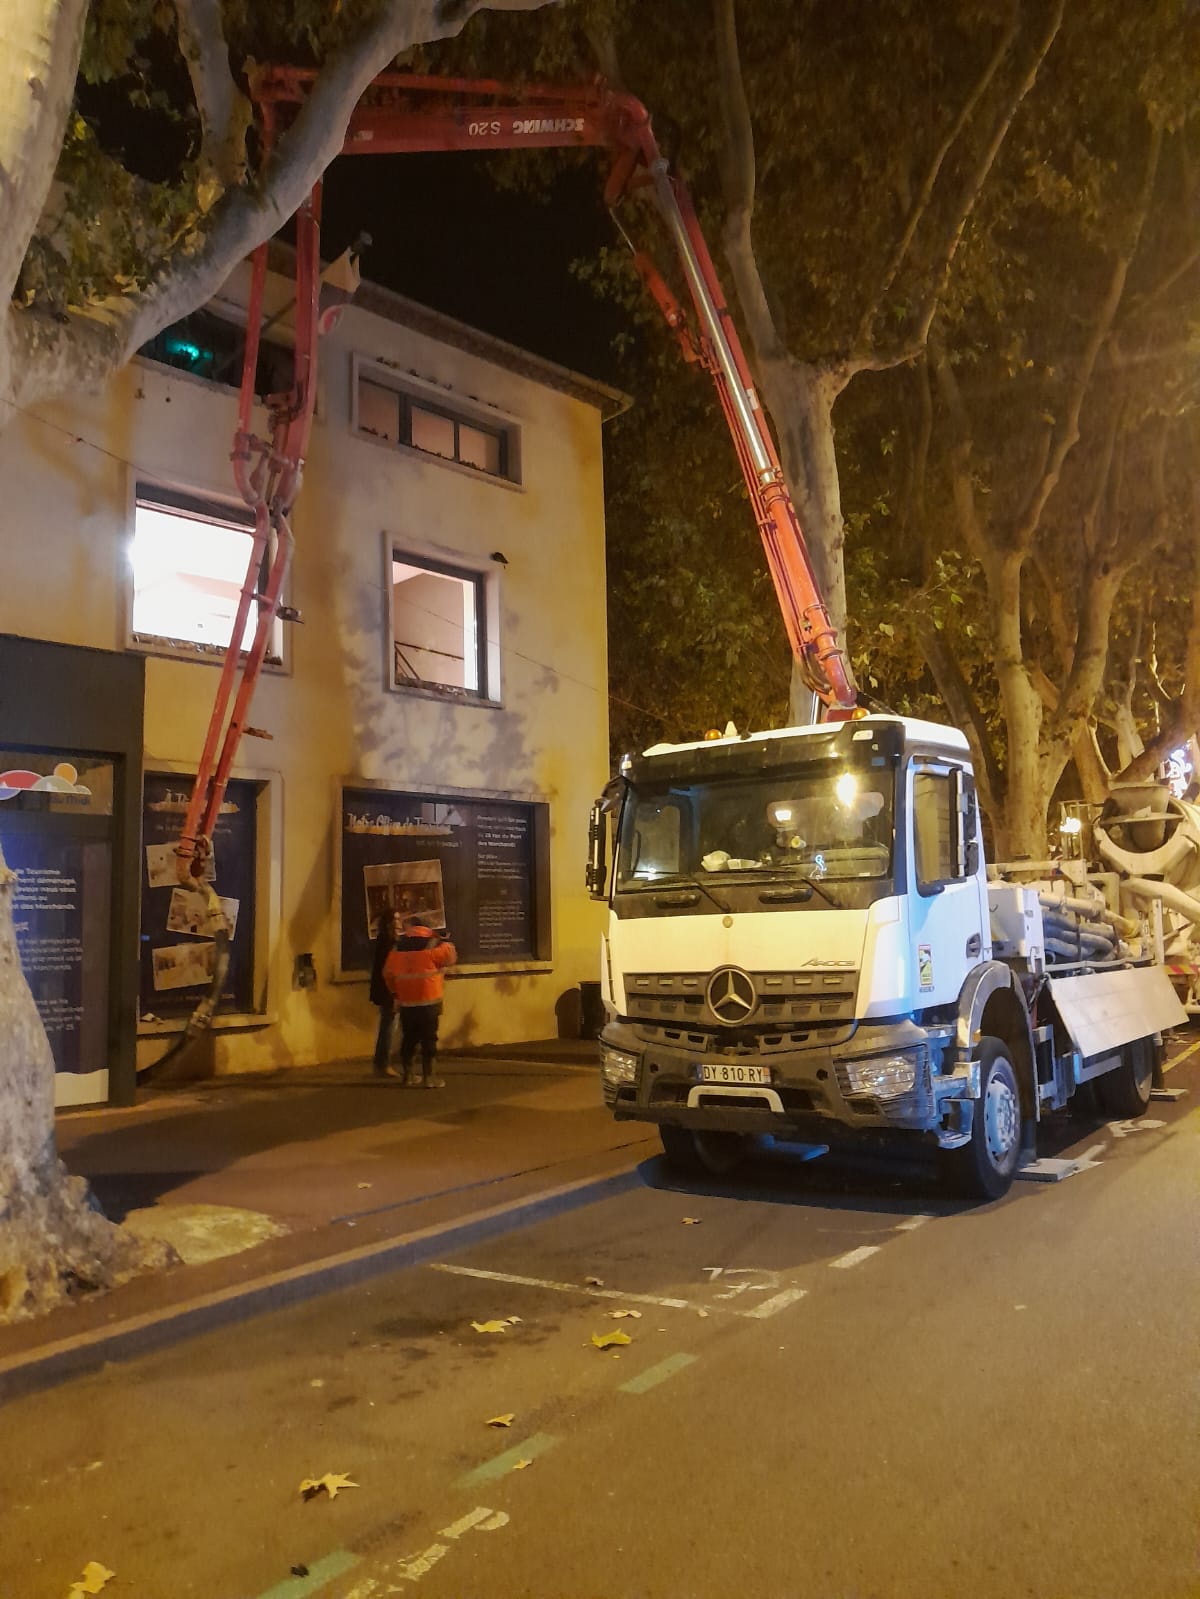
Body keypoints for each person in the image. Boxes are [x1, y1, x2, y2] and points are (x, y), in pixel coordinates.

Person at [383, 915, 457, 1087]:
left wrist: (396, 993)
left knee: (409, 1038)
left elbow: (387, 973)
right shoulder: (433, 944)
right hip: (430, 1001)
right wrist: (443, 938)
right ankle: (428, 1078)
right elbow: (451, 957)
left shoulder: (398, 947)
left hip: (407, 1002)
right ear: (425, 927)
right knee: (429, 1039)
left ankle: (408, 1076)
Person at [369, 908, 405, 1078]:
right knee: (389, 1027)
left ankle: (380, 1063)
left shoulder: (385, 940)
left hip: (386, 990)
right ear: (389, 923)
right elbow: (389, 971)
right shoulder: (388, 943)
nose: (399, 924)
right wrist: (395, 994)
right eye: (395, 920)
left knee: (387, 1026)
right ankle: (383, 1064)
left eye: (400, 920)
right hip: (388, 991)